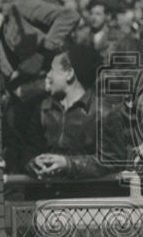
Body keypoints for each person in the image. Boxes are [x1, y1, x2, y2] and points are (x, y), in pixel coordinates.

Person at [24, 44, 127, 180]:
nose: (48, 75)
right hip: (48, 196)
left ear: (69, 74)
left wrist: (68, 164)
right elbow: (28, 150)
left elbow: (113, 161)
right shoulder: (43, 109)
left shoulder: (105, 113)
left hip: (87, 197)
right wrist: (33, 162)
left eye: (52, 69)